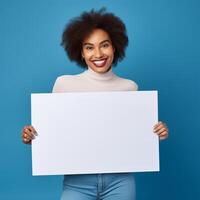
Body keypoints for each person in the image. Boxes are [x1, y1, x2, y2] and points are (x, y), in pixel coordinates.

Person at [21, 8, 169, 200]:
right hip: (77, 183)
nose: (98, 53)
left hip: (120, 181)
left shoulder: (129, 87)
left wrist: (158, 132)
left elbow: (133, 136)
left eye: (104, 45)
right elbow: (53, 135)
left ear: (114, 47)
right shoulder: (64, 84)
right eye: (89, 47)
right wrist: (31, 136)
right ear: (81, 52)